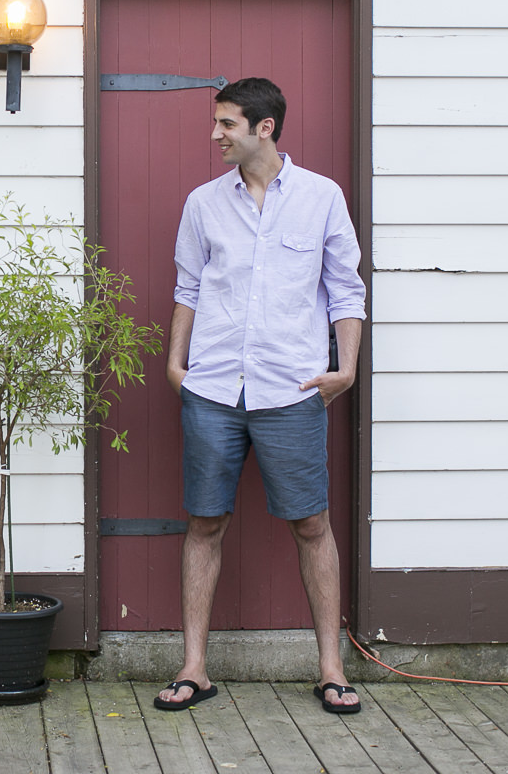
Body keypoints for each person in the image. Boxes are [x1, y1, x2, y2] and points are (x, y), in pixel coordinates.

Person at [154, 78, 366, 716]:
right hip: (214, 388)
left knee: (312, 525)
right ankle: (195, 667)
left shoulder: (321, 198)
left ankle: (330, 668)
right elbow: (188, 285)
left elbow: (346, 290)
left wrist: (345, 370)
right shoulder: (203, 203)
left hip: (293, 389)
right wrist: (175, 364)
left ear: (264, 128)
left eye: (226, 124)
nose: (215, 135)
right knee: (204, 523)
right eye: (216, 123)